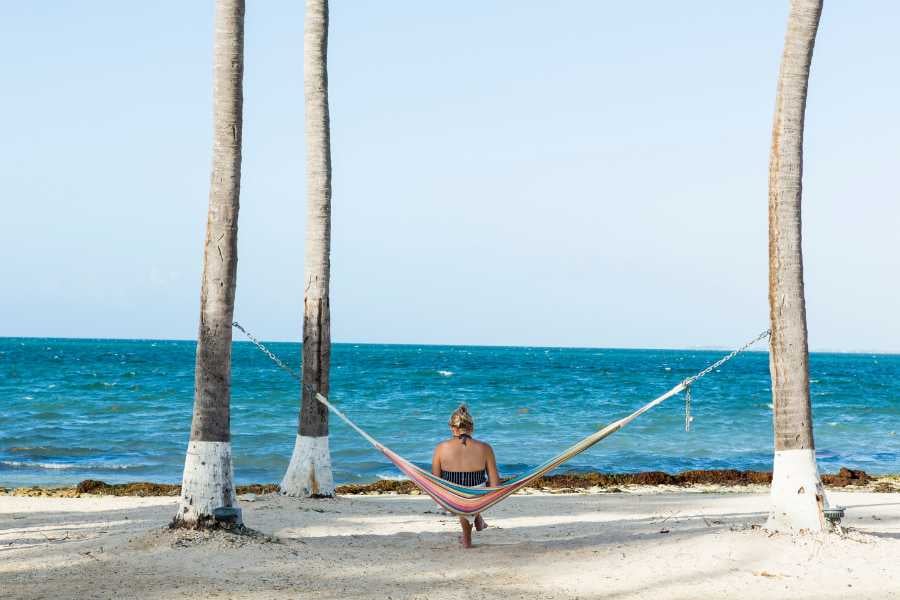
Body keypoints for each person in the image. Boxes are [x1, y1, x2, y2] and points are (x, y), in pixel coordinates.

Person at [431, 404, 501, 548]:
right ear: (472, 428)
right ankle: (475, 521)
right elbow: (495, 485)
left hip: (450, 498)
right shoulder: (485, 448)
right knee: (472, 493)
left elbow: (435, 483)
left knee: (462, 496)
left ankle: (468, 537)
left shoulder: (440, 448)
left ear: (452, 427)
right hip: (476, 496)